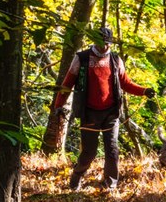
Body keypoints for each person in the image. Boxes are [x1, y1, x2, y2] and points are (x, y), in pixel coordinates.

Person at [52, 26, 155, 191]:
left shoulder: (115, 60)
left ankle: (110, 186)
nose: (104, 46)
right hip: (89, 112)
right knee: (89, 152)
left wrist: (144, 91)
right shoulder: (82, 58)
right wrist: (58, 105)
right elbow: (67, 84)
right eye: (101, 43)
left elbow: (125, 83)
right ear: (95, 41)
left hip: (111, 112)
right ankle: (77, 176)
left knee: (112, 150)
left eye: (107, 43)